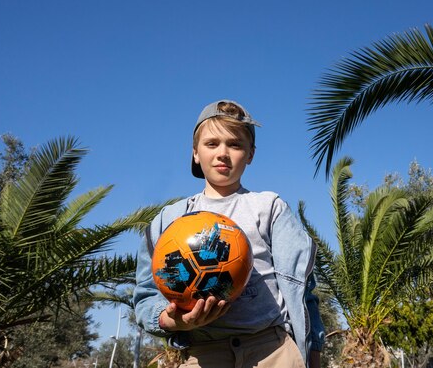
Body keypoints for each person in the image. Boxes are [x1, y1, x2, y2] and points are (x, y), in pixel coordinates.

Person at [133, 100, 324, 368]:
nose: (223, 153)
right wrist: (170, 320)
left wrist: (313, 355)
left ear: (250, 154)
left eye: (235, 144)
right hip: (204, 354)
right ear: (195, 153)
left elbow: (305, 292)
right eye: (212, 144)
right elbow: (145, 296)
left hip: (273, 350)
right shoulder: (168, 221)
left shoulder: (269, 208)